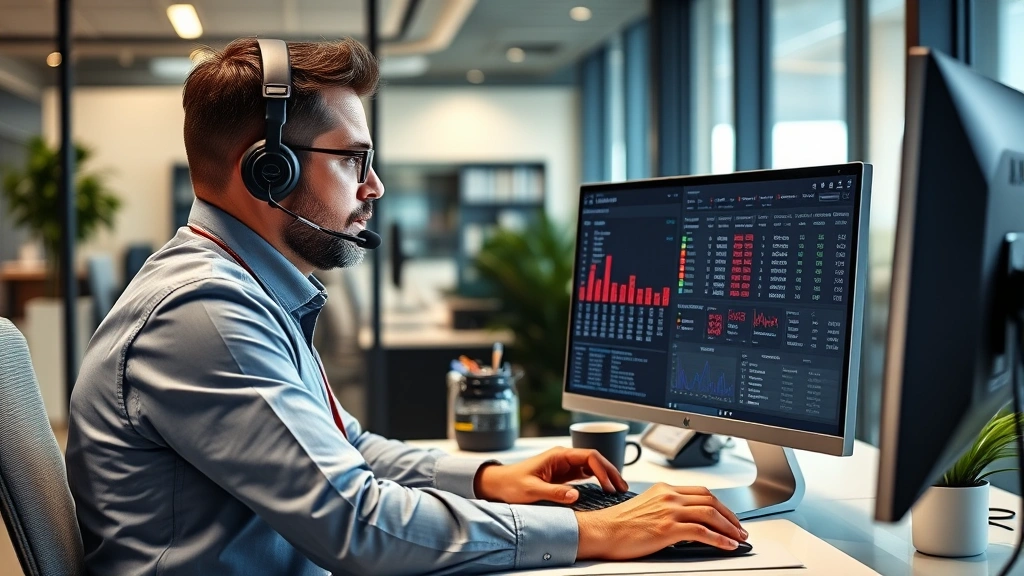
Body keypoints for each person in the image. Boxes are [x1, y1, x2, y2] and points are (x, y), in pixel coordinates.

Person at [66, 37, 747, 576]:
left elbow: (345, 450)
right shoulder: (205, 312)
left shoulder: (241, 286)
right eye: (354, 160)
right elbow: (357, 524)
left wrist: (487, 475)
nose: (375, 187)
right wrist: (589, 529)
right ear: (268, 170)